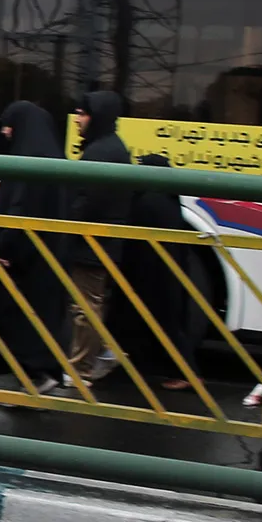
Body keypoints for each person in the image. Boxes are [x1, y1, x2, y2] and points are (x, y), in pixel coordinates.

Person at [0, 102, 70, 396]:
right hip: (42, 257)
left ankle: (34, 378)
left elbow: (20, 210)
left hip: (21, 260)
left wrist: (3, 249)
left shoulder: (30, 161)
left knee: (15, 316)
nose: (5, 131)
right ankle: (38, 376)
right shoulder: (51, 158)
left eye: (10, 125)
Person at [63, 91, 134, 386]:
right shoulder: (109, 146)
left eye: (82, 114)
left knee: (85, 308)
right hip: (99, 242)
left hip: (93, 243)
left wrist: (64, 216)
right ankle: (103, 352)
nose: (77, 120)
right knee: (88, 304)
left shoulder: (101, 152)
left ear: (97, 116)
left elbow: (88, 200)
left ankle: (81, 370)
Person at [113, 153, 196, 392]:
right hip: (167, 272)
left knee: (164, 322)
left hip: (154, 274)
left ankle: (187, 374)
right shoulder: (167, 198)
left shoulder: (149, 201)